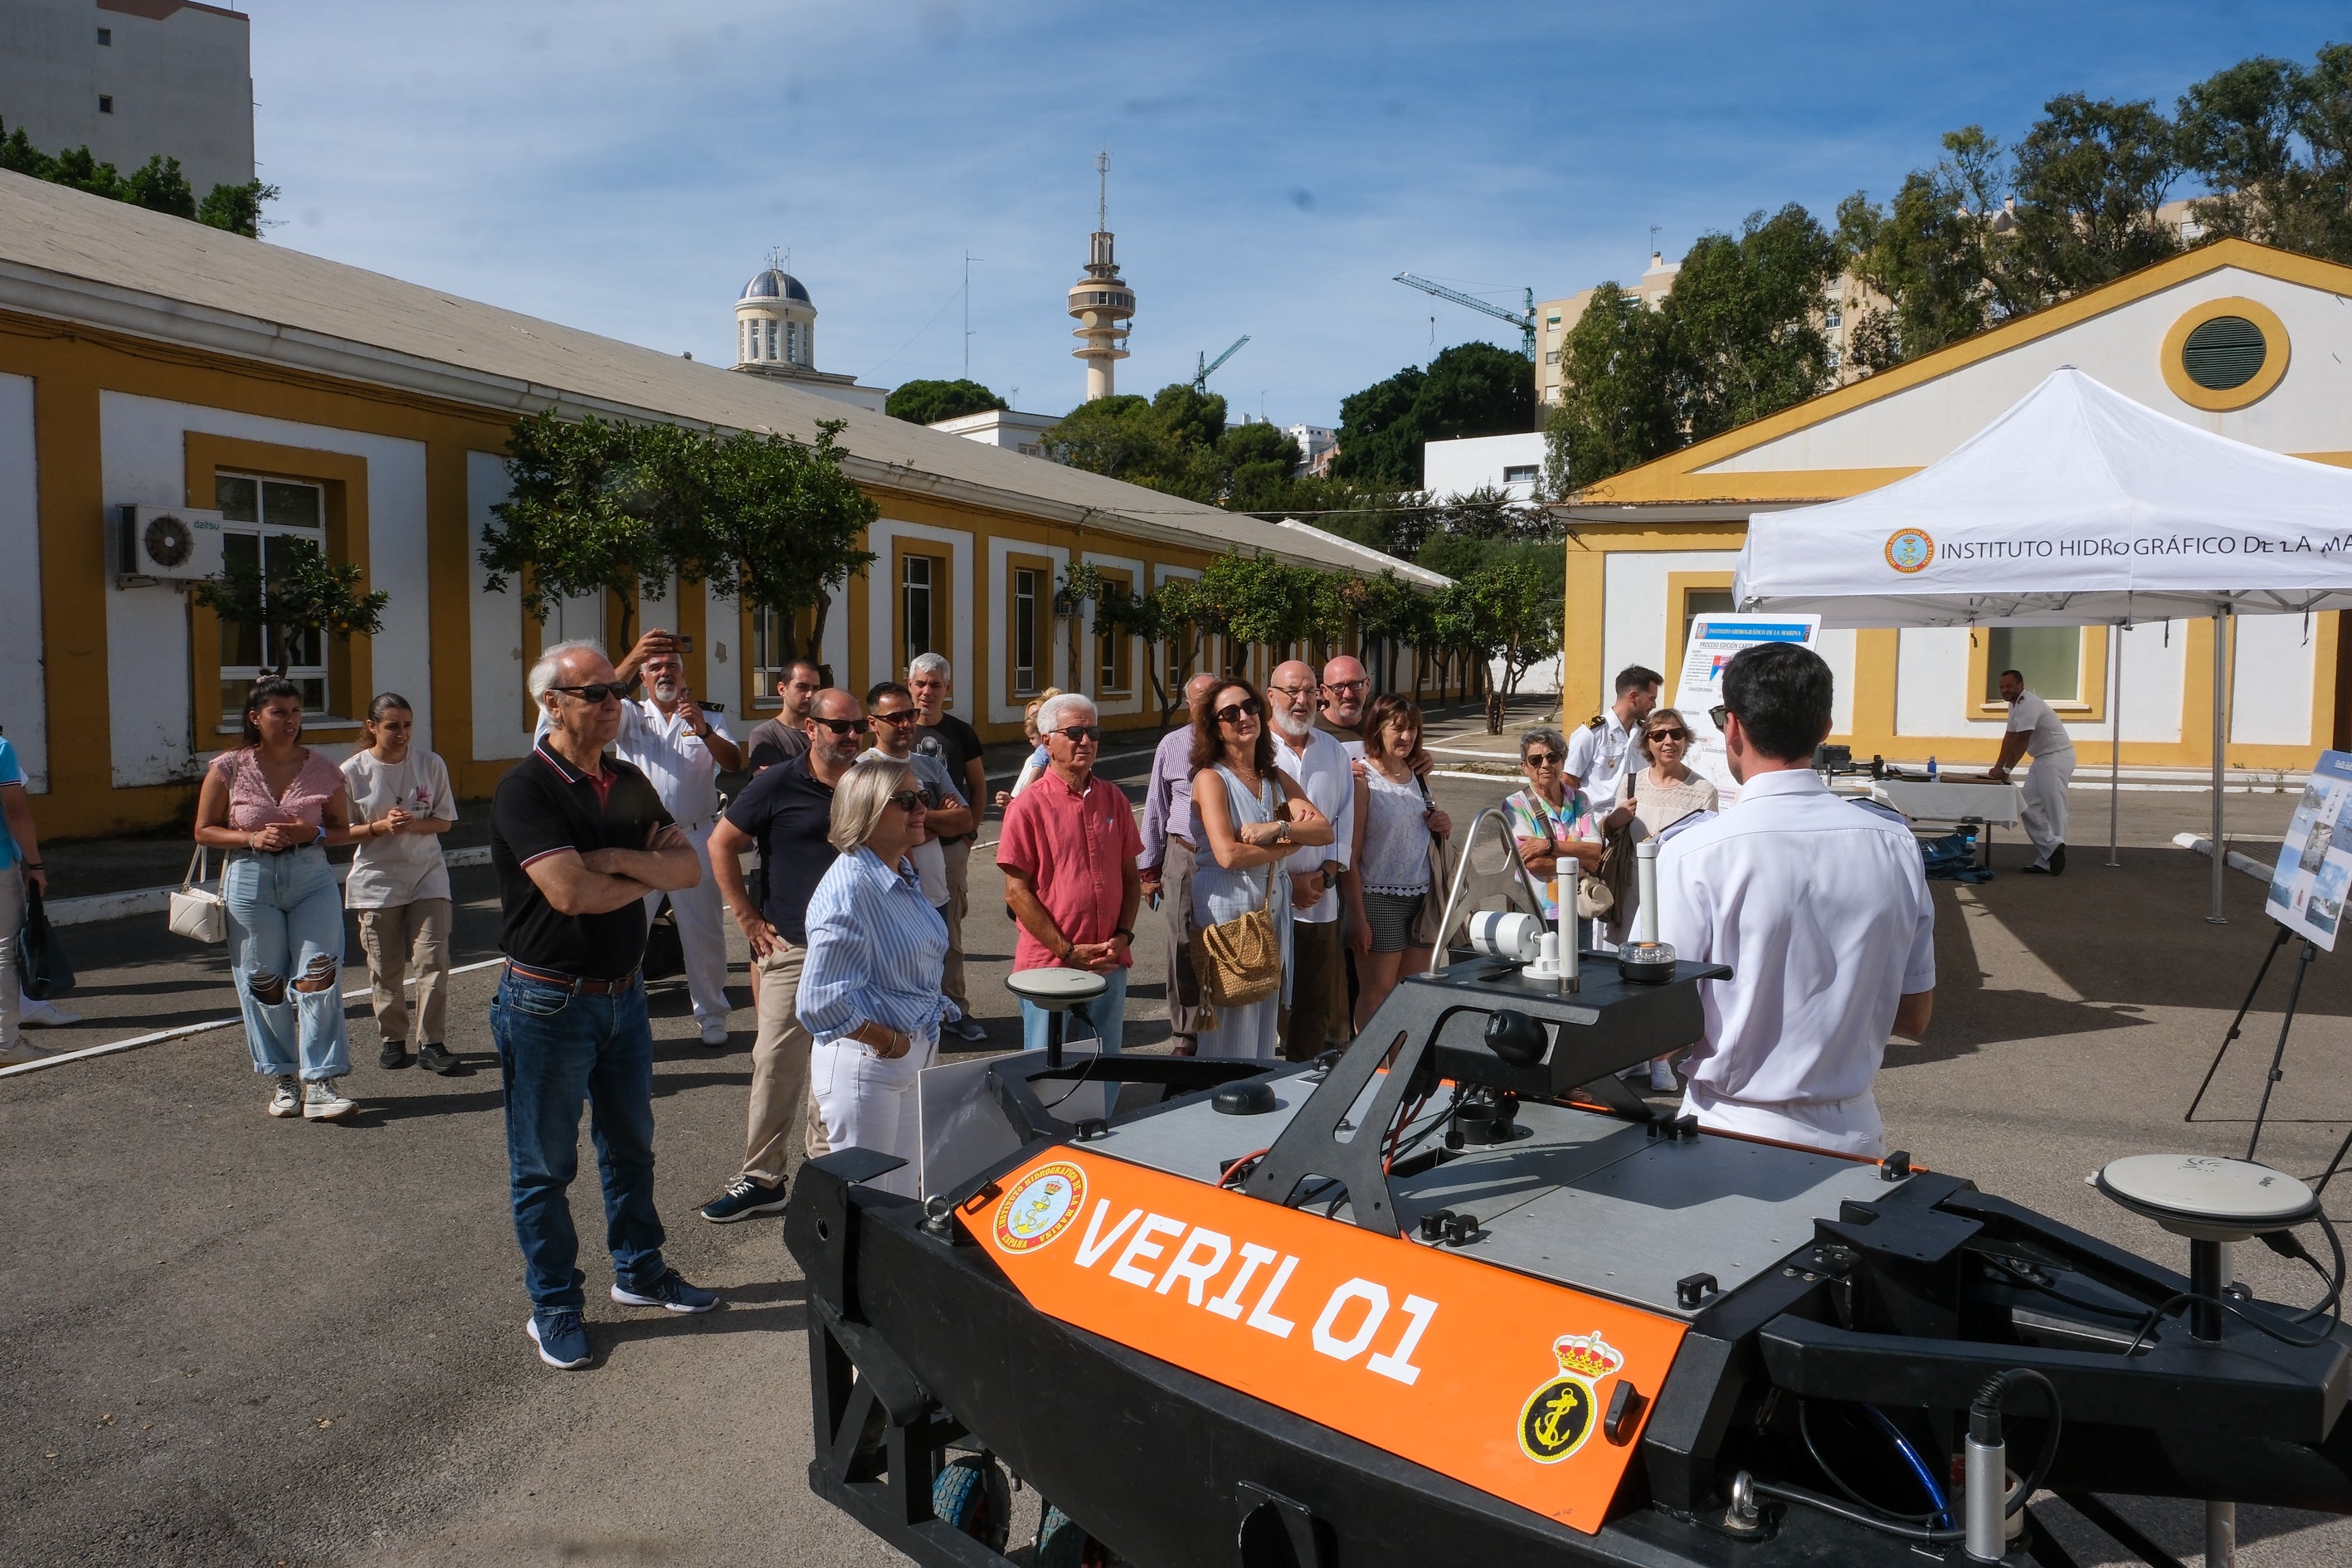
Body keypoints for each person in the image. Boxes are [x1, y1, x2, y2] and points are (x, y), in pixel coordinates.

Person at [491, 640, 718, 1371]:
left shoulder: (623, 780)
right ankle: (553, 1304)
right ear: (551, 704)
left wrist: (615, 859)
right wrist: (633, 872)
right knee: (544, 1168)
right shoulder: (527, 789)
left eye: (616, 689)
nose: (614, 701)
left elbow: (687, 867)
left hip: (624, 997)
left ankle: (640, 1272)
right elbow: (567, 893)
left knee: (630, 1148)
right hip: (547, 1002)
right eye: (595, 692)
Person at [1657, 644, 1936, 1157]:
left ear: (1733, 727)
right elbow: (1912, 1015)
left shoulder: (1694, 852)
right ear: (1825, 728)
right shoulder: (1894, 844)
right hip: (1852, 1126)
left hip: (1731, 1127)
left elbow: (1660, 1028)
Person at [699, 688, 865, 1223]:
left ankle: (824, 1172)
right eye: (840, 727)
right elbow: (721, 844)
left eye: (858, 726)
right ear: (812, 728)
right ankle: (762, 1176)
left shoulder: (871, 783)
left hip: (857, 949)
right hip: (792, 947)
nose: (852, 736)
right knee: (774, 1062)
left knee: (837, 1065)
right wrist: (747, 918)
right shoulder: (777, 782)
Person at [192, 677, 363, 1121]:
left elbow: (342, 831)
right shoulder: (228, 766)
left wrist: (316, 832)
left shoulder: (325, 768)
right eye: (279, 713)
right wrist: (250, 837)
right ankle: (284, 1079)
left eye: (295, 712)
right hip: (250, 880)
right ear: (255, 718)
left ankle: (321, 1082)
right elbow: (203, 830)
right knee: (262, 980)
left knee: (319, 972)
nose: (290, 721)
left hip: (310, 877)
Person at [797, 757, 952, 1198]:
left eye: (921, 797)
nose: (921, 807)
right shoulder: (850, 890)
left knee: (902, 1197)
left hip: (907, 1056)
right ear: (866, 813)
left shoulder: (898, 872)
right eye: (905, 801)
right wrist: (886, 1040)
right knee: (871, 1205)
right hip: (869, 1063)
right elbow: (816, 1002)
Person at [1189, 679, 1333, 1061]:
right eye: (1229, 713)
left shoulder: (1274, 778)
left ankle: (1251, 1101)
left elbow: (1322, 830)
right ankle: (1219, 1104)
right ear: (1214, 726)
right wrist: (1287, 849)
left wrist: (1279, 829)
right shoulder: (1210, 779)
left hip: (1269, 903)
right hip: (1227, 903)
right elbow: (1228, 855)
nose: (1243, 717)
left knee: (1263, 1020)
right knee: (1231, 1015)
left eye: (1249, 707)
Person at [607, 642, 741, 1046]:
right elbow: (603, 692)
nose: (665, 672)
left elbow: (735, 763)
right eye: (655, 667)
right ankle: (616, 1015)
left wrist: (702, 728)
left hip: (695, 834)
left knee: (703, 931)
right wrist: (630, 658)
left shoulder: (708, 715)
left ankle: (713, 1014)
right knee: (627, 929)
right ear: (643, 678)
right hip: (642, 840)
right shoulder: (628, 715)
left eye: (672, 666)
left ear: (684, 676)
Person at [1000, 693, 1143, 1054]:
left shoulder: (1114, 799)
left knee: (1104, 1062)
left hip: (1108, 961)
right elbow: (1016, 893)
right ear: (1047, 740)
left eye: (1093, 732)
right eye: (1075, 731)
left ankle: (1102, 1116)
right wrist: (1066, 950)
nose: (1087, 740)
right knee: (1046, 1068)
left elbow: (1130, 877)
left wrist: (1123, 935)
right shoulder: (1028, 806)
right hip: (1050, 966)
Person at [341, 693, 461, 1075]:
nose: (402, 733)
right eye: (392, 726)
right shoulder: (352, 772)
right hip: (377, 880)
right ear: (372, 727)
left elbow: (443, 821)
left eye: (407, 725)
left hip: (428, 874)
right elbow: (341, 831)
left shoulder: (430, 763)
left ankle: (432, 1042)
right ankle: (393, 1039)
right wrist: (379, 827)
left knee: (432, 959)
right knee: (385, 965)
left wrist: (412, 824)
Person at [1611, 709, 1717, 1092]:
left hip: (1675, 894)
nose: (1668, 741)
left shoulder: (1702, 790)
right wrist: (1615, 819)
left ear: (1686, 739)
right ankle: (1636, 1056)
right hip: (1633, 892)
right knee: (1631, 978)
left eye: (1675, 734)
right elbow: (1609, 834)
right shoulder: (1632, 782)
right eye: (1658, 736)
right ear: (1647, 744)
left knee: (1669, 979)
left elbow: (1708, 849)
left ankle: (1662, 1058)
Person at [1341, 695, 1452, 1032]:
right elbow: (1352, 854)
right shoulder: (1363, 779)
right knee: (1377, 994)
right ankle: (1372, 1075)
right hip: (1378, 899)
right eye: (1398, 728)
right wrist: (1358, 918)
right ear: (1378, 729)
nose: (1406, 737)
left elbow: (1429, 827)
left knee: (1411, 994)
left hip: (1423, 899)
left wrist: (1443, 823)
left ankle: (1400, 1074)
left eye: (1413, 729)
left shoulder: (1418, 775)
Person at [1267, 660, 1354, 1060]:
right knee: (1265, 997)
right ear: (1271, 696)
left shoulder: (1332, 750)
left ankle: (1303, 1076)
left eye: (1308, 692)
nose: (1300, 701)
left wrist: (1328, 874)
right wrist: (1289, 881)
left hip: (1321, 899)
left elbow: (1344, 817)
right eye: (1290, 692)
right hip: (1268, 897)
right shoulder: (1256, 751)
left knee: (1313, 1000)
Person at [908, 653, 991, 1045]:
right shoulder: (897, 728)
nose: (927, 692)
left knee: (948, 930)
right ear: (910, 686)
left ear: (947, 689)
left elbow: (977, 786)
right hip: (906, 848)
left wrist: (969, 832)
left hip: (951, 846)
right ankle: (912, 1007)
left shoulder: (960, 732)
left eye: (936, 685)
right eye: (921, 684)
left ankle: (955, 1009)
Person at [1139, 673, 1221, 1055]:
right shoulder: (1172, 745)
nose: (1206, 704)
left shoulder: (1237, 741)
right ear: (1189, 704)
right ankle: (1186, 1035)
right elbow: (1156, 805)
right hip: (1184, 853)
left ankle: (1225, 1027)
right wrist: (1148, 871)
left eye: (1213, 697)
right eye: (1199, 698)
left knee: (1229, 941)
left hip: (1232, 855)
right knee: (1182, 944)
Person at [863, 681, 973, 918]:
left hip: (936, 898)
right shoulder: (863, 770)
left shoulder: (930, 765)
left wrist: (910, 820)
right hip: (890, 901)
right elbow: (874, 835)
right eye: (895, 718)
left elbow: (964, 821)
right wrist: (936, 821)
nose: (905, 724)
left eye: (910, 714)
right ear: (873, 723)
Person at [1503, 726, 1629, 930]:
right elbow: (1533, 864)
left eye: (1552, 757)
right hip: (1535, 911)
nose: (1545, 765)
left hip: (1579, 907)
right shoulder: (1515, 805)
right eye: (1535, 760)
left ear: (1562, 761)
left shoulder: (1579, 800)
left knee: (1581, 962)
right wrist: (1581, 864)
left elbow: (1594, 851)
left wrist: (1548, 846)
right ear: (1524, 767)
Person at [0, 729, 56, 1068]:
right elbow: (16, 812)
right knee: (4, 950)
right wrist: (35, 864)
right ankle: (5, 1041)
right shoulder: (1, 749)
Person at [1987, 668, 2076, 875]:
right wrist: (1999, 766)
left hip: (2057, 757)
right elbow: (2009, 737)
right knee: (2026, 806)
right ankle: (2052, 848)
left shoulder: (2029, 703)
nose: (2005, 690)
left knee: (2055, 809)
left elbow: (2022, 739)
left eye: (2009, 685)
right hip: (2042, 759)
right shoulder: (2014, 705)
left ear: (2021, 685)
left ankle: (2048, 861)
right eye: (2001, 687)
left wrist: (2007, 768)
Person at [1565, 665, 1663, 805]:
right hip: (1598, 818)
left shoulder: (1644, 734)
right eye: (1651, 698)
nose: (1654, 705)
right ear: (1633, 697)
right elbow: (1569, 781)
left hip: (1637, 818)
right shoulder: (1592, 733)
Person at [744, 658, 822, 771]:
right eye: (802, 687)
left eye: (816, 688)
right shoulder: (765, 735)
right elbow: (769, 783)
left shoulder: (826, 731)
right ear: (782, 689)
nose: (810, 694)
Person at [998, 689, 1064, 805]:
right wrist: (1010, 803)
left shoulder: (1050, 755)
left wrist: (1016, 803)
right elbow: (1019, 795)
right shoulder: (1032, 759)